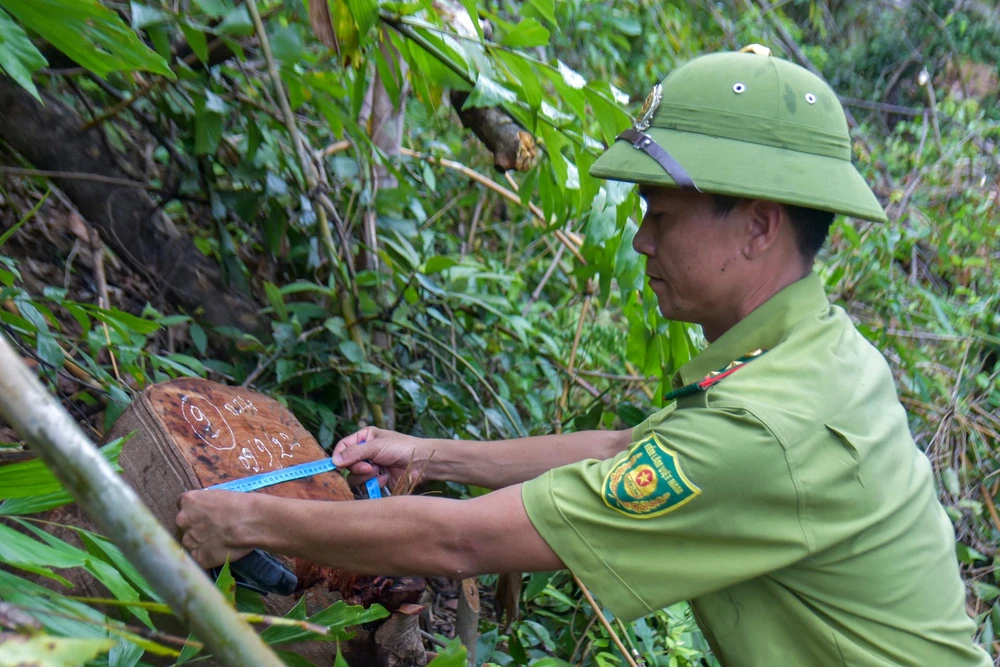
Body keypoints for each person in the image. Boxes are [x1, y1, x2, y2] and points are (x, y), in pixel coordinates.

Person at [177, 47, 991, 666]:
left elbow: (463, 544)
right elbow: (627, 451)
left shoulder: (768, 424)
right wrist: (424, 451)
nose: (639, 239)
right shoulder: (815, 352)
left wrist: (242, 517)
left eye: (661, 215)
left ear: (758, 225)